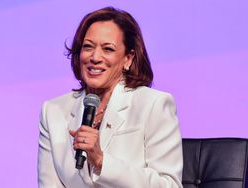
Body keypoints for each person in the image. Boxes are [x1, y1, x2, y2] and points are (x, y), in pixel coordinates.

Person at [38, 6, 183, 188]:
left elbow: (169, 185)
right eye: (88, 47)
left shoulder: (154, 104)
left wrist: (101, 161)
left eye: (108, 49)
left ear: (128, 59)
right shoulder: (53, 111)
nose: (95, 57)